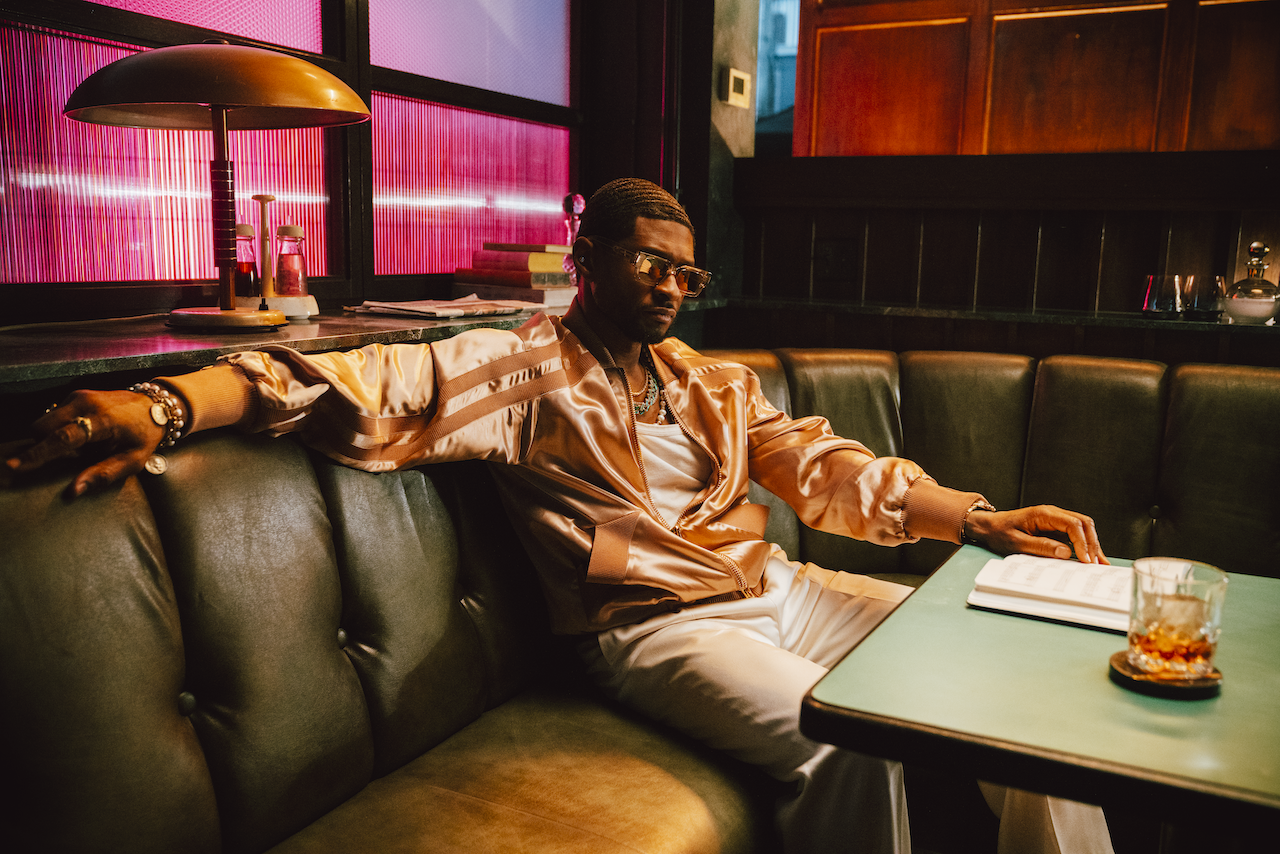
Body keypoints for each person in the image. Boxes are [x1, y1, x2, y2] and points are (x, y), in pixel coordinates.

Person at [4, 178, 1113, 854]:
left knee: (998, 675)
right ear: (586, 259)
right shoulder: (526, 368)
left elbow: (824, 466)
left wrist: (975, 518)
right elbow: (370, 383)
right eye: (649, 262)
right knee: (847, 739)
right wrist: (164, 402)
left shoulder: (709, 380)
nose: (670, 286)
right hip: (658, 629)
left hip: (784, 590)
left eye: (686, 273)